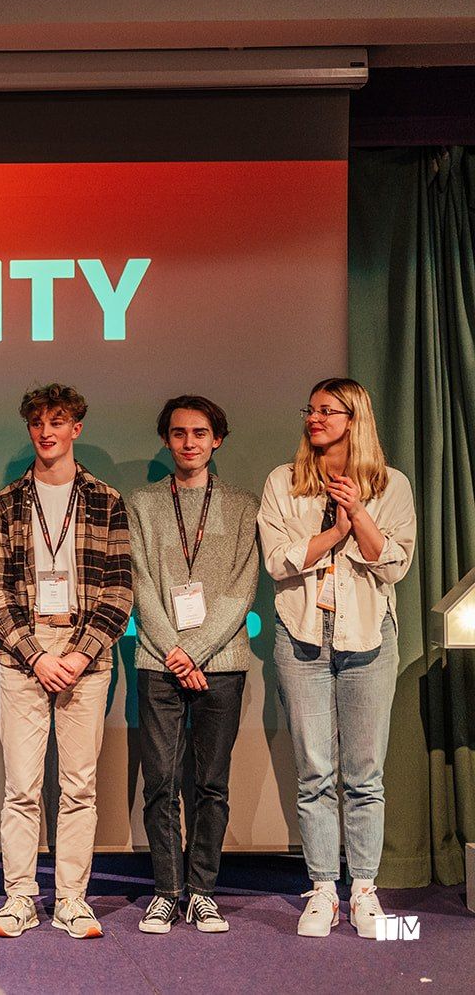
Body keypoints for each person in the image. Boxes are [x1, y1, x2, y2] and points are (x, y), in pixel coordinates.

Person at [257, 377, 416, 938]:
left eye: (328, 410)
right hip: (302, 637)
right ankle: (323, 887)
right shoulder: (285, 482)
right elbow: (277, 561)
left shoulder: (390, 485)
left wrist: (358, 515)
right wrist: (332, 534)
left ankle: (365, 890)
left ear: (355, 418)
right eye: (311, 409)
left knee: (365, 773)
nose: (314, 418)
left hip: (369, 638)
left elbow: (394, 564)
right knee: (315, 772)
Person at [0, 384, 132, 940]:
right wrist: (36, 656)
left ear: (77, 428)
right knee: (21, 787)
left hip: (85, 654)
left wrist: (76, 654)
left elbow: (119, 593)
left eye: (58, 420)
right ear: (29, 431)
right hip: (24, 654)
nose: (47, 431)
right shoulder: (5, 502)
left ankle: (71, 900)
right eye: (37, 422)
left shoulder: (106, 500)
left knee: (79, 786)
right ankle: (20, 897)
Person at [128, 398, 259, 935]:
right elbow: (139, 583)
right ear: (166, 439)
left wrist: (197, 650)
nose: (189, 442)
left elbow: (241, 588)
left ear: (217, 439)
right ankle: (166, 890)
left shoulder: (244, 504)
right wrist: (174, 651)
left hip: (221, 661)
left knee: (210, 783)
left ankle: (202, 890)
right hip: (158, 660)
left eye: (200, 432)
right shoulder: (140, 503)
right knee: (160, 782)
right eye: (179, 432)